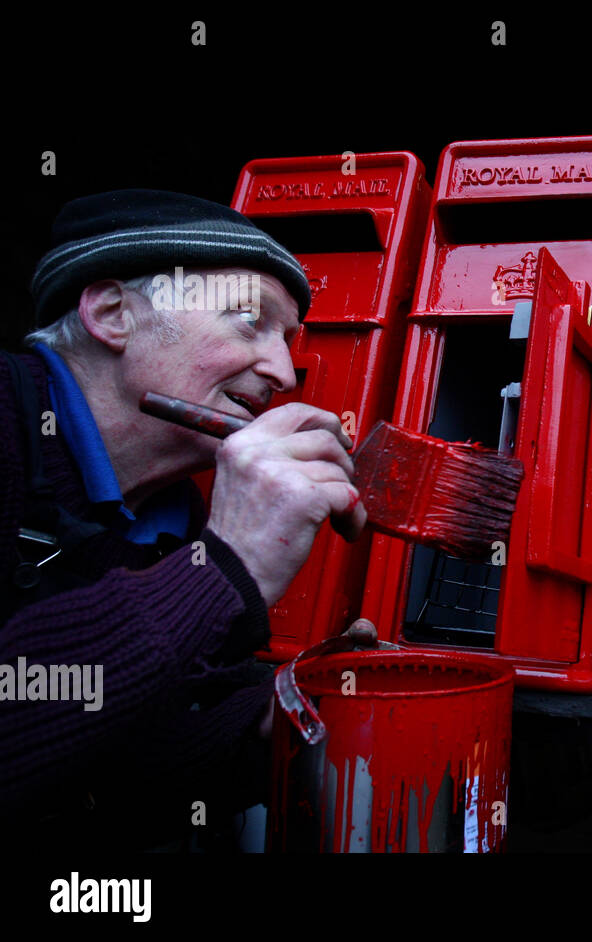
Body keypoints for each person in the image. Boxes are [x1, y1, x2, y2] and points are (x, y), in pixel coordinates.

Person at [0, 189, 366, 848]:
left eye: (289, 340)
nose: (284, 371)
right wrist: (228, 569)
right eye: (249, 321)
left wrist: (276, 714)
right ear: (114, 314)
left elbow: (123, 770)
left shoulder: (178, 512)